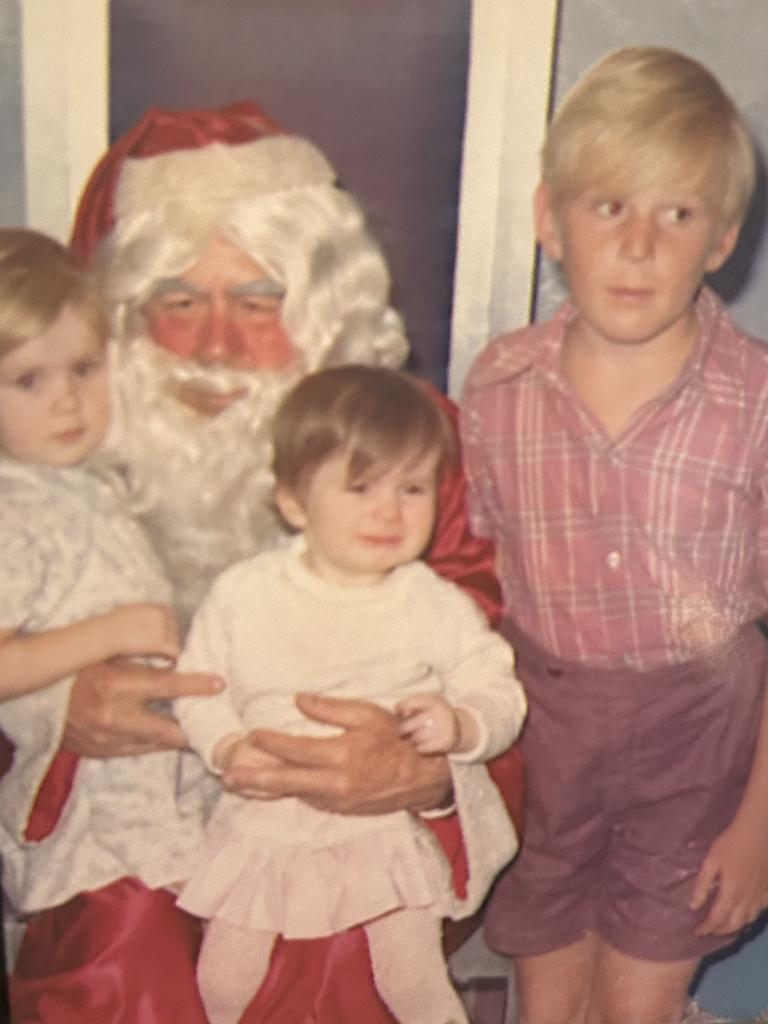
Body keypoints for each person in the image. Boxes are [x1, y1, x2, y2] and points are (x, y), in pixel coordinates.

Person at [7, 103, 525, 1023]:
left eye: (256, 302)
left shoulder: (406, 454)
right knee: (123, 942)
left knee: (340, 949)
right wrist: (56, 710)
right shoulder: (57, 434)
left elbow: (512, 673)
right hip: (128, 843)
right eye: (178, 301)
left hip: (341, 838)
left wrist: (424, 770)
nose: (213, 345)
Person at [460, 46, 768, 1024]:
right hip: (545, 737)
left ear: (721, 238)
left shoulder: (756, 403)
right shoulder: (499, 387)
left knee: (636, 1003)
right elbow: (476, 590)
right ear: (551, 219)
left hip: (699, 742)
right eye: (609, 208)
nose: (639, 246)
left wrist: (761, 823)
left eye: (676, 215)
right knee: (546, 1000)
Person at [173, 365, 526, 1024]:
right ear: (294, 502)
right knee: (221, 979)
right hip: (264, 825)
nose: (389, 512)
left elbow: (496, 686)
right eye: (360, 487)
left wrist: (462, 724)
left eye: (413, 488)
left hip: (380, 831)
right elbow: (199, 689)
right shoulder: (244, 593)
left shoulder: (432, 602)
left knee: (412, 978)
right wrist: (224, 745)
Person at [0, 228, 202, 926]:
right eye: (30, 380)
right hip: (90, 832)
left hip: (149, 810)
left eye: (84, 369)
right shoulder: (11, 512)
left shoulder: (82, 484)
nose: (67, 401)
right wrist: (109, 633)